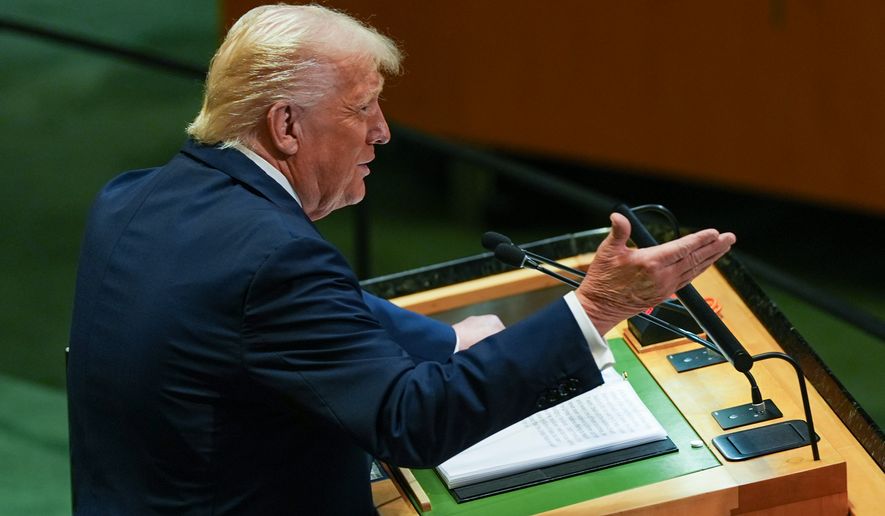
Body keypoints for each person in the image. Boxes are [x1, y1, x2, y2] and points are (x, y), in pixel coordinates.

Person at [67, 4, 736, 514]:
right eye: (362, 109)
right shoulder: (275, 261)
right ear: (285, 126)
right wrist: (596, 306)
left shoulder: (132, 199)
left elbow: (266, 308)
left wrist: (444, 338)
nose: (384, 132)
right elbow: (410, 422)